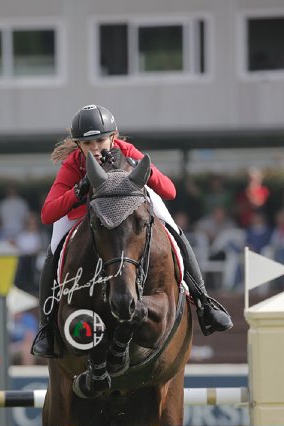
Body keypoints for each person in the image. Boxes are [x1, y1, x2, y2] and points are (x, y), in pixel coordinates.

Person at [31, 104, 232, 358]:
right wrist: (79, 190)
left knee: (173, 229)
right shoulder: (73, 164)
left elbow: (169, 190)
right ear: (78, 145)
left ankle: (204, 302)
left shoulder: (126, 150)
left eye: (100, 140)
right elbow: (47, 213)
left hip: (130, 207)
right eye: (88, 143)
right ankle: (47, 327)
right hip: (88, 212)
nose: (95, 148)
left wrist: (138, 166)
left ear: (113, 137)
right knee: (55, 246)